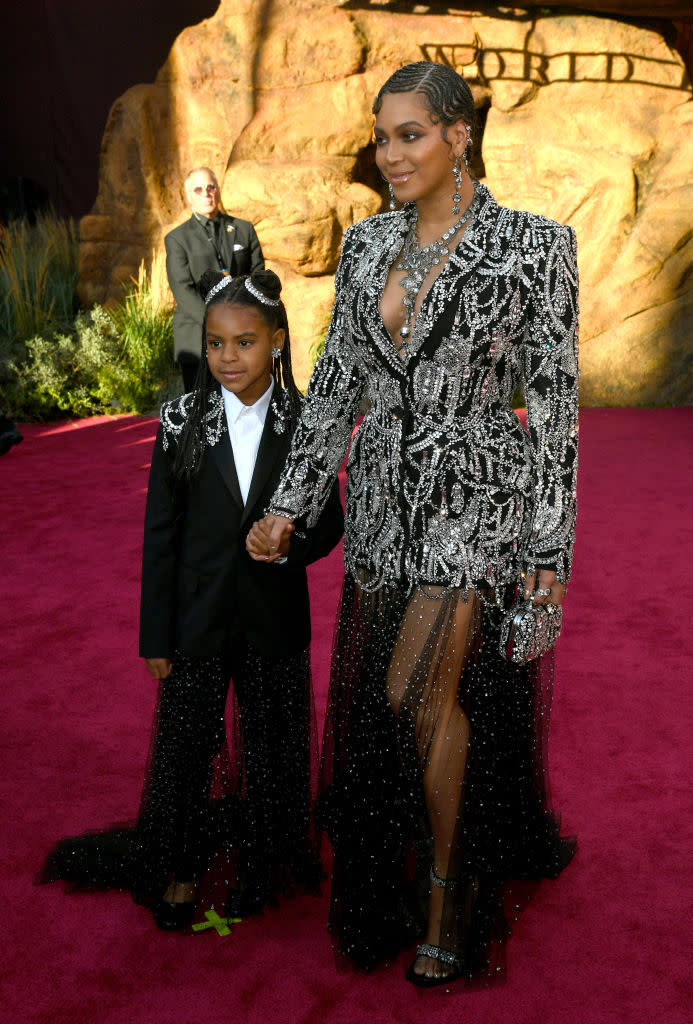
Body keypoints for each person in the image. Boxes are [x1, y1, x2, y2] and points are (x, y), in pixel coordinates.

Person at [247, 61, 579, 987]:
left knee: (409, 689)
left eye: (410, 135)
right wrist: (288, 505)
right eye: (381, 136)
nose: (389, 153)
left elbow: (553, 409)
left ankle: (446, 890)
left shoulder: (533, 246)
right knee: (424, 702)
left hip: (477, 500)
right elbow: (336, 391)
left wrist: (549, 550)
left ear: (458, 134)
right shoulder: (364, 248)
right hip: (385, 509)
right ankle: (444, 850)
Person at [40, 269, 344, 930]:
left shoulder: (306, 421)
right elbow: (161, 535)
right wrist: (155, 636)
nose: (227, 358)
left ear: (277, 341)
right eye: (214, 344)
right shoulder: (180, 418)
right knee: (186, 749)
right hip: (194, 620)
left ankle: (266, 862)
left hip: (272, 616)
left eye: (243, 342)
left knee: (272, 749)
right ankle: (177, 866)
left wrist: (289, 542)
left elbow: (330, 522)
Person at [165, 167, 265, 391]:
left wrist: (242, 317)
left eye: (210, 187)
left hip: (243, 331)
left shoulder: (243, 229)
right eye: (198, 189)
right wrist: (218, 323)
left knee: (244, 404)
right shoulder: (177, 239)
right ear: (188, 196)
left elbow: (258, 275)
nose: (206, 194)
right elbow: (182, 289)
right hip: (197, 334)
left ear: (218, 190)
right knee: (202, 408)